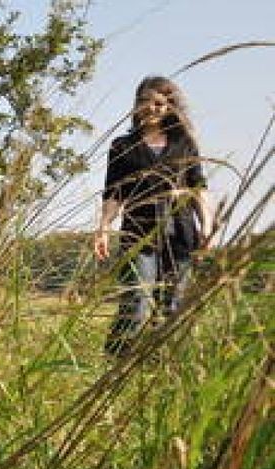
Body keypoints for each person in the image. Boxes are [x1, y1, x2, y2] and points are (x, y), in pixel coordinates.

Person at [94, 75, 212, 357]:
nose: (151, 108)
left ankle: (161, 367)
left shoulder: (185, 144)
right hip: (139, 232)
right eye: (144, 101)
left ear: (169, 107)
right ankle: (115, 360)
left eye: (159, 102)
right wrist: (103, 228)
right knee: (137, 300)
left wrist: (207, 226)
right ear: (136, 106)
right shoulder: (122, 146)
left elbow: (199, 189)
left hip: (181, 233)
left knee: (172, 306)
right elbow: (113, 194)